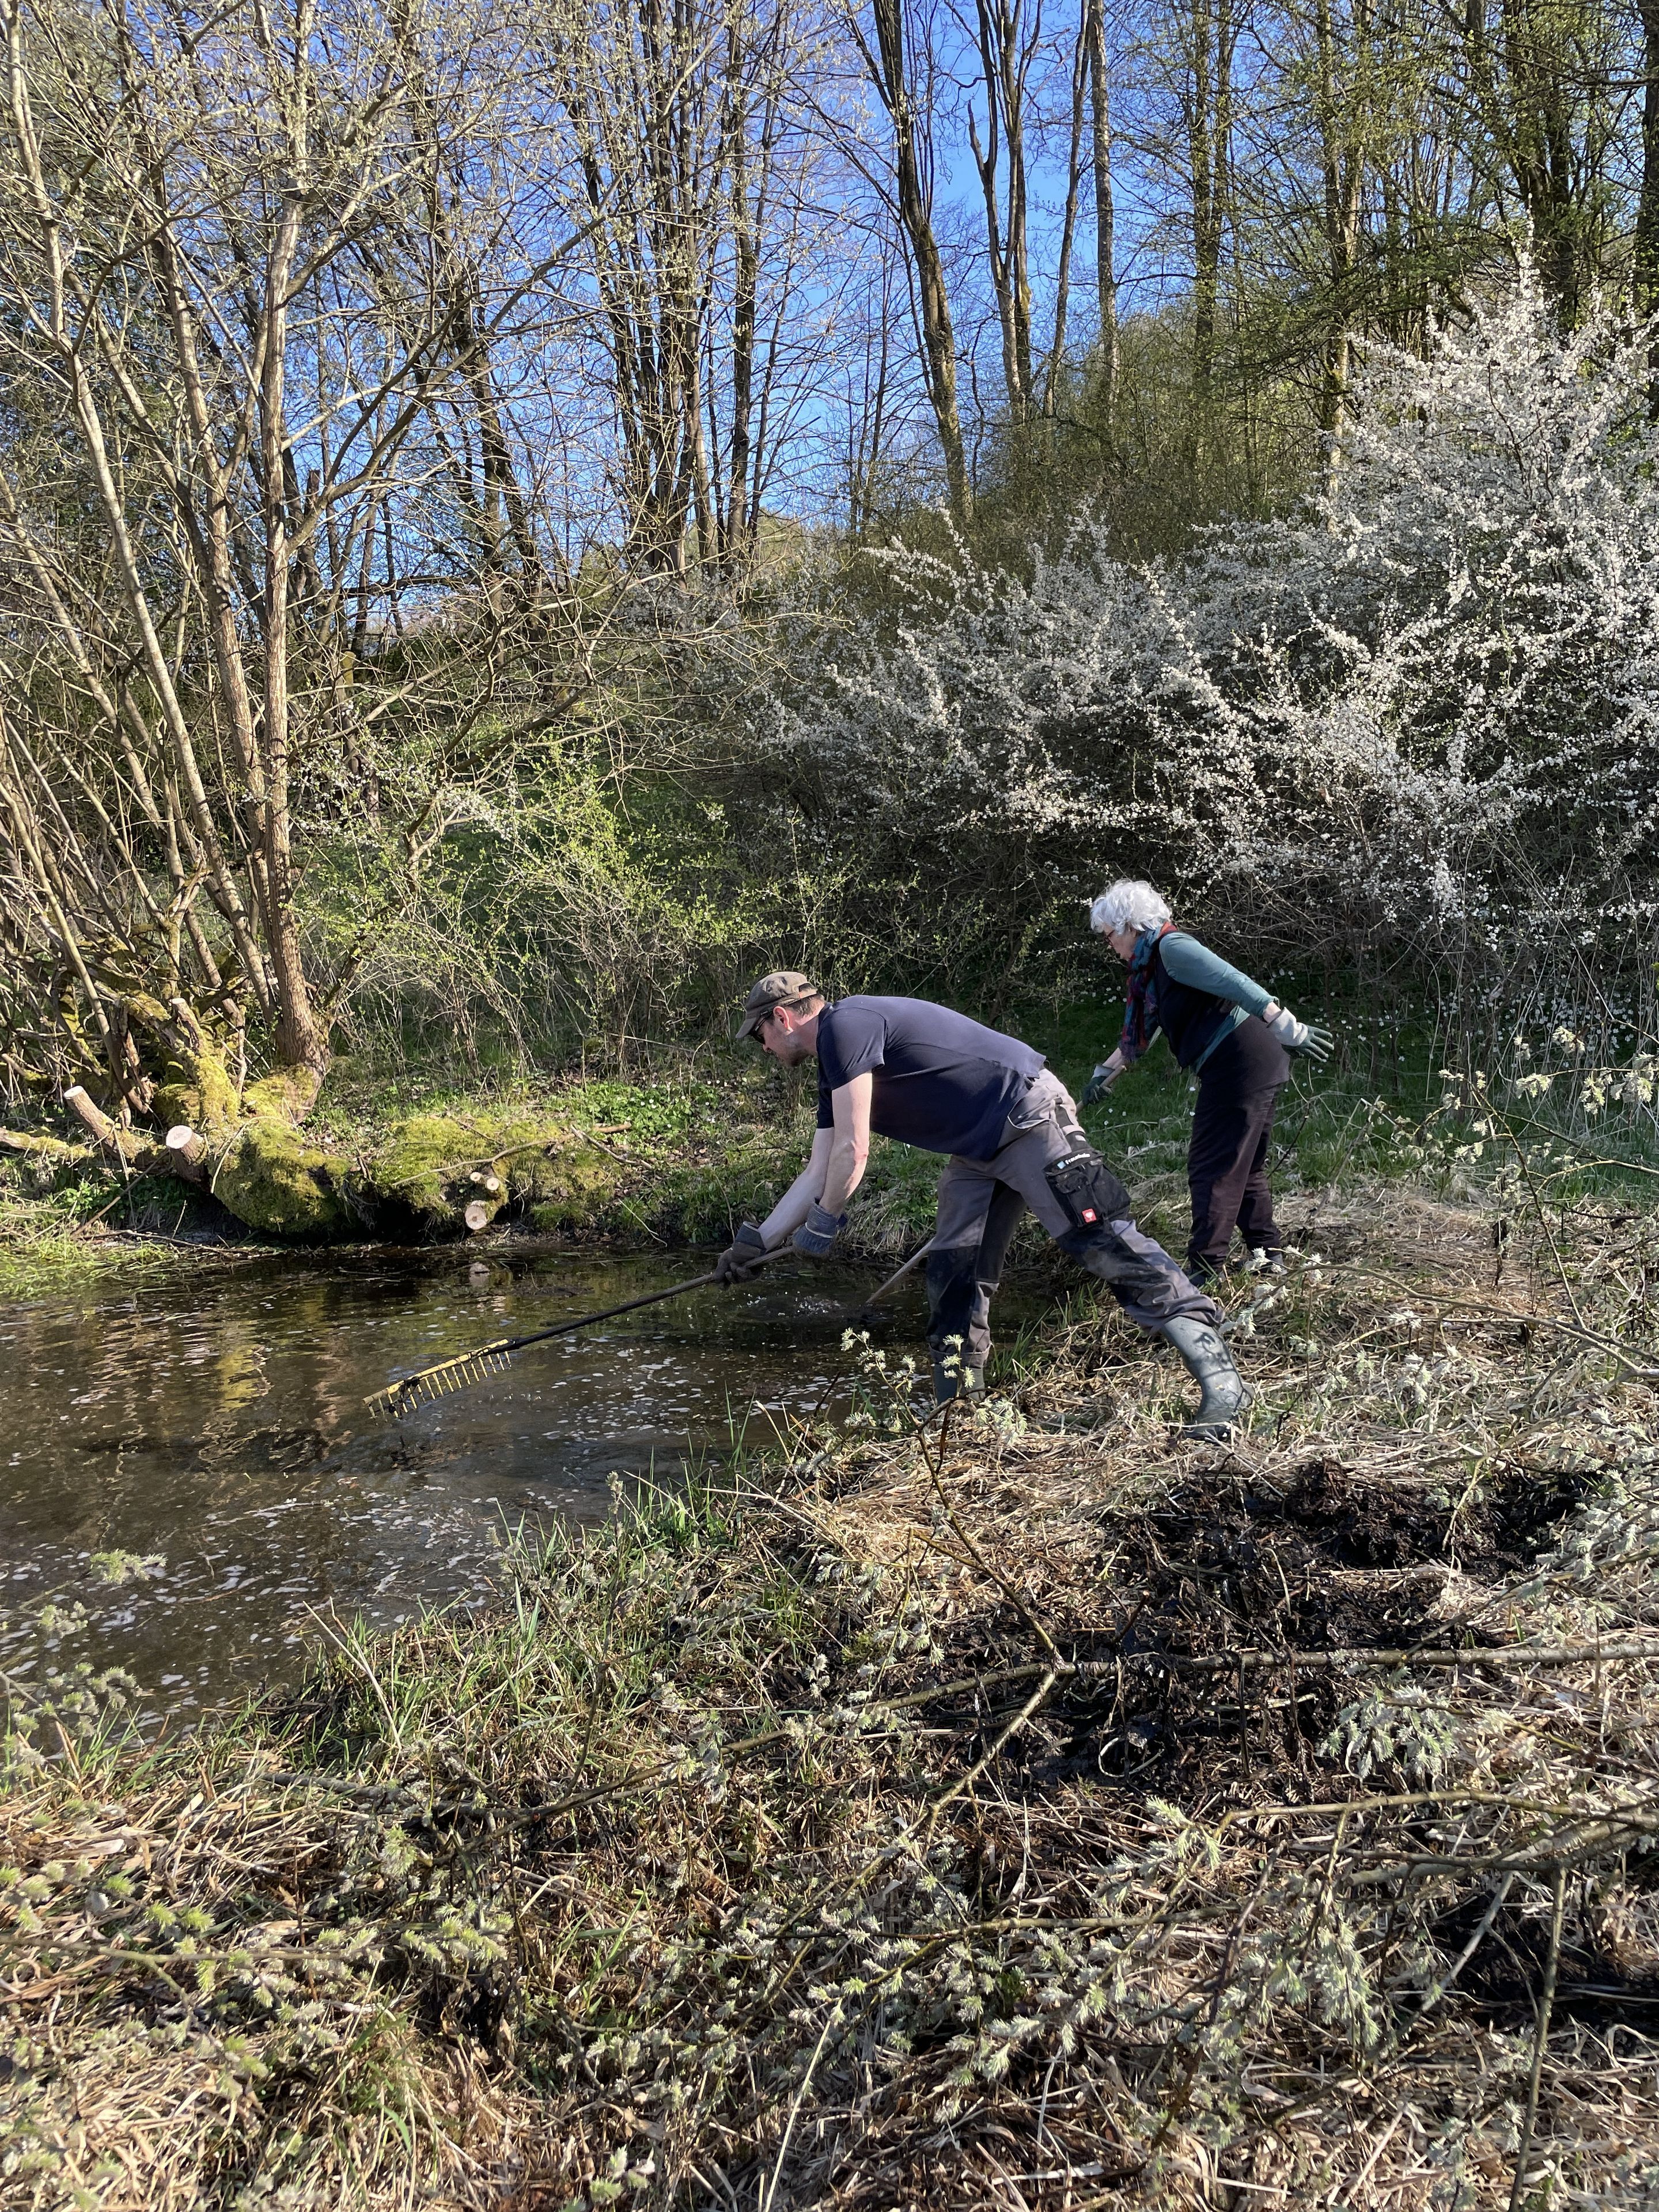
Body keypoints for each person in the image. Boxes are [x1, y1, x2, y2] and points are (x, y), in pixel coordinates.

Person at [714, 969, 1251, 1441]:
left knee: (1101, 1241)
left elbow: (854, 1152)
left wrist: (827, 1220)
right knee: (954, 1274)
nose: (762, 1046)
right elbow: (818, 1167)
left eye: (759, 1033)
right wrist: (759, 1242)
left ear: (782, 1017)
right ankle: (959, 1418)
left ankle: (1223, 1384)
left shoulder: (846, 1026)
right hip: (977, 1151)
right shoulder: (832, 1066)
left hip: (1027, 1116)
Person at [1080, 880, 1332, 1285]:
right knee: (1244, 1166)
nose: (1109, 945)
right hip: (1248, 1061)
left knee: (1211, 1167)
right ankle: (1268, 1255)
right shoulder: (1151, 967)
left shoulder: (1172, 949)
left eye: (1109, 935)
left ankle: (1205, 1270)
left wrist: (1291, 1028)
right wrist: (1104, 1073)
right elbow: (1146, 1029)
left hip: (1242, 1060)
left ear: (1128, 925)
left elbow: (1237, 983)